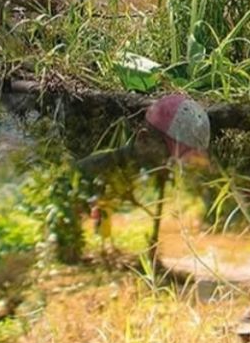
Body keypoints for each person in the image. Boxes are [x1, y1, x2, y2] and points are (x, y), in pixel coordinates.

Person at [72, 93, 212, 251]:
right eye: (168, 156)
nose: (169, 167)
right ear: (143, 139)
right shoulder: (91, 172)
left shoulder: (161, 191)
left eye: (178, 162)